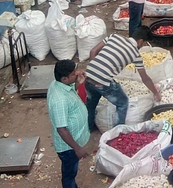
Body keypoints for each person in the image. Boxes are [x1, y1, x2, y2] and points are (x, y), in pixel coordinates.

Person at [86, 26, 161, 130]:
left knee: (91, 102)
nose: (143, 46)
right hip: (103, 83)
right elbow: (145, 78)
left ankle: (89, 127)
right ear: (140, 41)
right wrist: (156, 93)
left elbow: (93, 51)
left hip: (88, 75)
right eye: (144, 44)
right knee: (123, 103)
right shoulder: (135, 54)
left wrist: (95, 69)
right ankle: (116, 133)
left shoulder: (114, 36)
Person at [47, 60, 89, 188]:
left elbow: (71, 91)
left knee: (71, 171)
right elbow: (61, 129)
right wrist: (77, 148)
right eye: (73, 74)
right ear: (64, 78)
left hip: (73, 142)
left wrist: (78, 83)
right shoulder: (59, 100)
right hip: (68, 148)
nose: (77, 74)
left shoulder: (58, 84)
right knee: (69, 174)